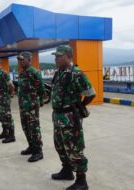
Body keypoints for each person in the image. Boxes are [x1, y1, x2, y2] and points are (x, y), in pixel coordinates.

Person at [50, 45, 95, 190]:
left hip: (70, 117)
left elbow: (90, 93)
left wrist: (79, 107)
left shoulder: (76, 73)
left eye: (59, 56)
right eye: (55, 56)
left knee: (74, 148)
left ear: (69, 56)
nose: (56, 58)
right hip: (57, 115)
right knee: (60, 146)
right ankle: (67, 171)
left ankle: (82, 181)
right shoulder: (58, 73)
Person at [17, 51, 45, 162]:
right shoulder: (22, 72)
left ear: (29, 60)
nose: (20, 61)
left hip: (32, 106)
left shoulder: (34, 72)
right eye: (19, 60)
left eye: (22, 59)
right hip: (23, 106)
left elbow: (41, 89)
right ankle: (31, 147)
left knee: (34, 128)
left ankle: (38, 151)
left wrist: (38, 101)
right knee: (26, 127)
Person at [0, 59, 15, 143]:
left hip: (4, 100)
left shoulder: (4, 74)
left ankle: (12, 136)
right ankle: (5, 132)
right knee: (2, 117)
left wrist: (11, 93)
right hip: (0, 100)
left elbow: (11, 85)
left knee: (7, 117)